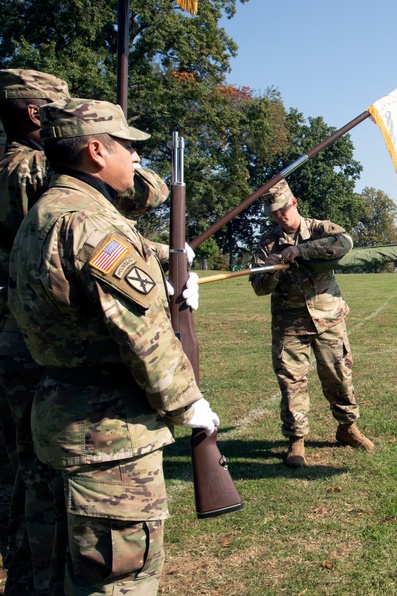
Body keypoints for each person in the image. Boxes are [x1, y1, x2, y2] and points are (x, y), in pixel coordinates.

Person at [8, 97, 219, 594]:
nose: (137, 158)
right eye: (128, 146)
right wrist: (190, 404)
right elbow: (143, 337)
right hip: (109, 440)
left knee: (48, 575)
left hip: (55, 421)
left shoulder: (41, 216)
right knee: (117, 582)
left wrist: (169, 274)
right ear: (97, 151)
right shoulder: (94, 225)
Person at [0, 68, 70, 594]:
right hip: (33, 332)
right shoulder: (38, 167)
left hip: (6, 328)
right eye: (60, 107)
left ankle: (21, 564)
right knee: (43, 470)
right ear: (34, 113)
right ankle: (39, 575)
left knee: (15, 461)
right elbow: (144, 191)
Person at [249, 179, 374, 468]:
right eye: (274, 213)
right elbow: (258, 287)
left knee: (339, 377)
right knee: (292, 384)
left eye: (283, 208)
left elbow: (344, 243)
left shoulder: (320, 228)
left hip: (329, 320)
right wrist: (271, 266)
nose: (280, 216)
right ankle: (296, 441)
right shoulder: (267, 243)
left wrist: (302, 251)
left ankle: (347, 428)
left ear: (294, 202)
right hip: (290, 325)